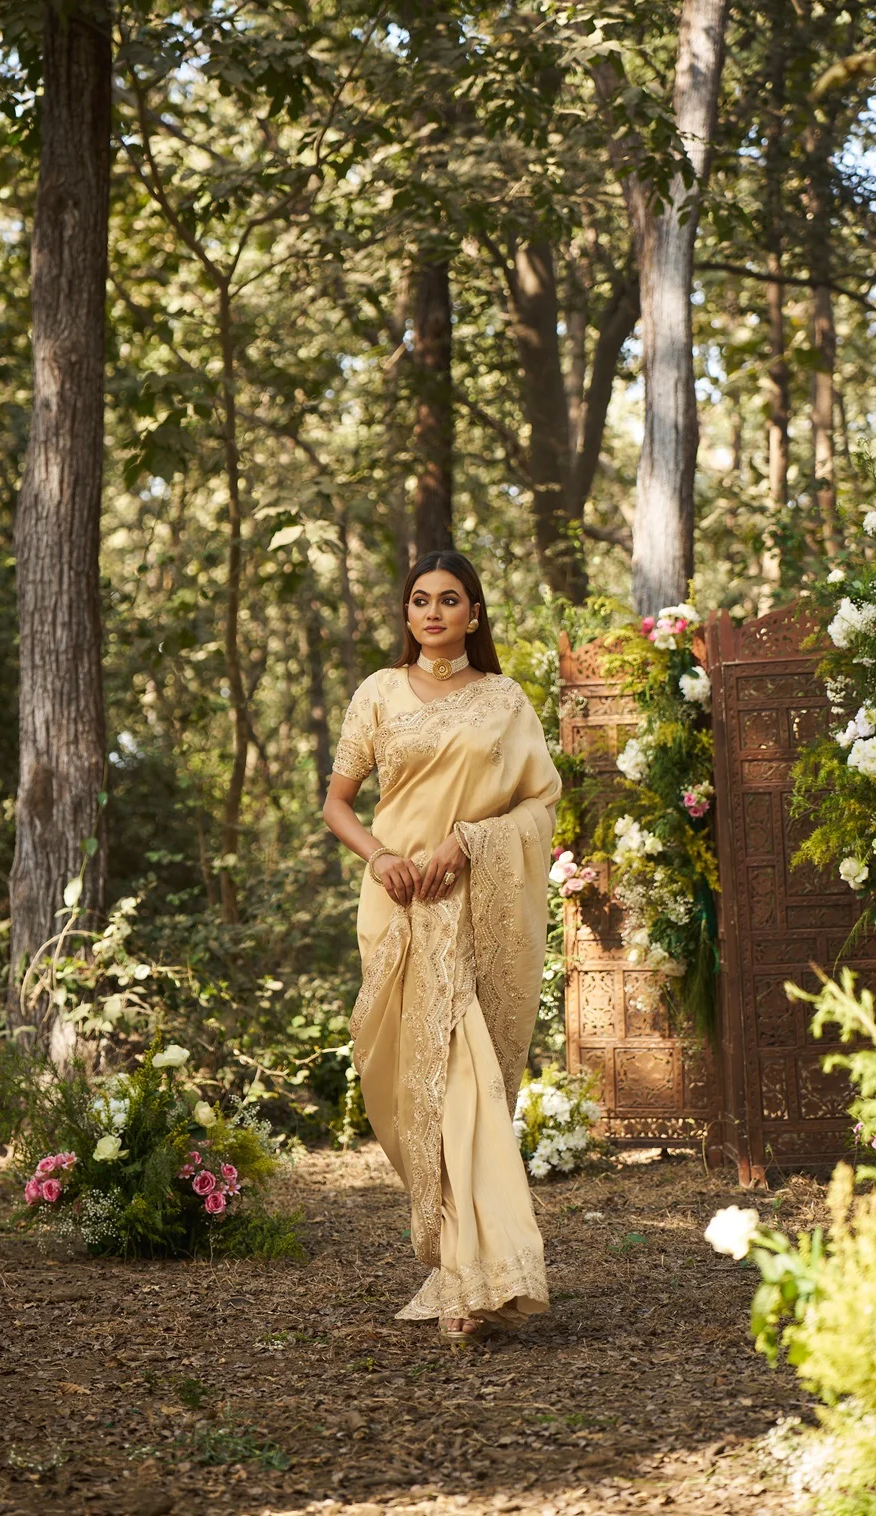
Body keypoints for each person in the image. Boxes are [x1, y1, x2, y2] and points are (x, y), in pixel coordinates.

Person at [322, 550, 562, 1342]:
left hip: (472, 908)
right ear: (407, 614)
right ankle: (457, 1253)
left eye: (448, 600)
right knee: (408, 1090)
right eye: (419, 601)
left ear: (474, 614)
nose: (431, 613)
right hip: (397, 909)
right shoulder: (379, 694)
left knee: (471, 1086)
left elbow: (542, 801)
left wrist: (469, 841)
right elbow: (337, 804)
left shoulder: (503, 700)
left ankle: (473, 1277)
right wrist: (381, 857)